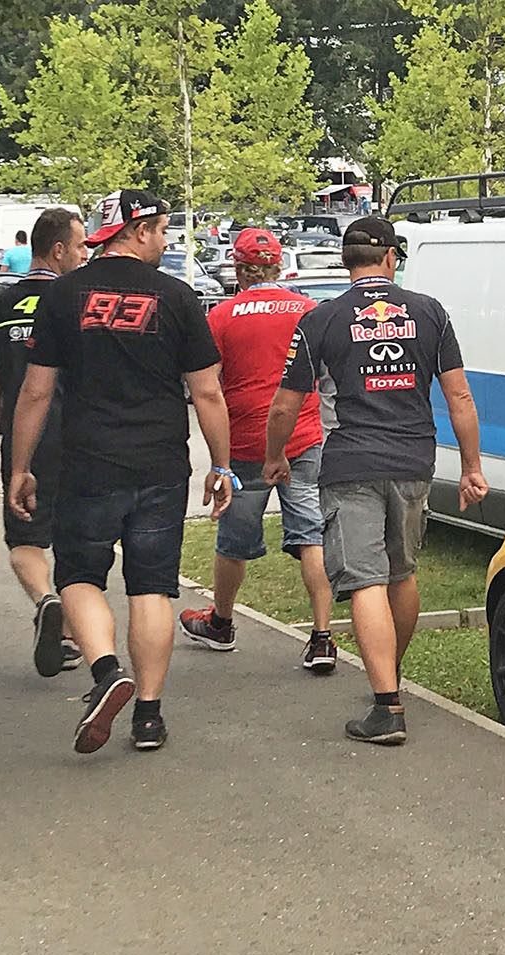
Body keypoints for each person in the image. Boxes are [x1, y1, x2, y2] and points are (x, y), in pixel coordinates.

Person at [9, 189, 234, 755]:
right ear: (138, 231)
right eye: (161, 230)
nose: (165, 241)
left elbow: (36, 392)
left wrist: (19, 465)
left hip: (86, 463)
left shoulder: (62, 295)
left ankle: (107, 672)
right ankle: (150, 718)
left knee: (79, 576)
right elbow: (207, 391)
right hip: (160, 464)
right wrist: (223, 466)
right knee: (152, 587)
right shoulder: (179, 297)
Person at [264, 216, 487, 746]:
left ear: (347, 261)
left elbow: (286, 403)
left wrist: (275, 455)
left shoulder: (321, 319)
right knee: (400, 573)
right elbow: (459, 396)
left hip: (349, 463)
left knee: (364, 579)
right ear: (390, 258)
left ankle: (386, 703)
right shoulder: (430, 312)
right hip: (413, 461)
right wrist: (473, 467)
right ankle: (390, 678)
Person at [179, 228, 338, 672]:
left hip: (245, 441)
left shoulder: (222, 316)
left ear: (239, 268)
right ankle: (322, 637)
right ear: (278, 265)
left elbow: (207, 388)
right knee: (312, 536)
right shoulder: (309, 311)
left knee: (233, 538)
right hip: (303, 437)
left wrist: (218, 462)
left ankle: (222, 622)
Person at [0, 208, 88, 676]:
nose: (86, 254)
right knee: (74, 538)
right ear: (58, 250)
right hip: (79, 438)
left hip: (25, 440)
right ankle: (67, 632)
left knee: (25, 538)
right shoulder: (80, 303)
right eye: (81, 246)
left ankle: (46, 601)